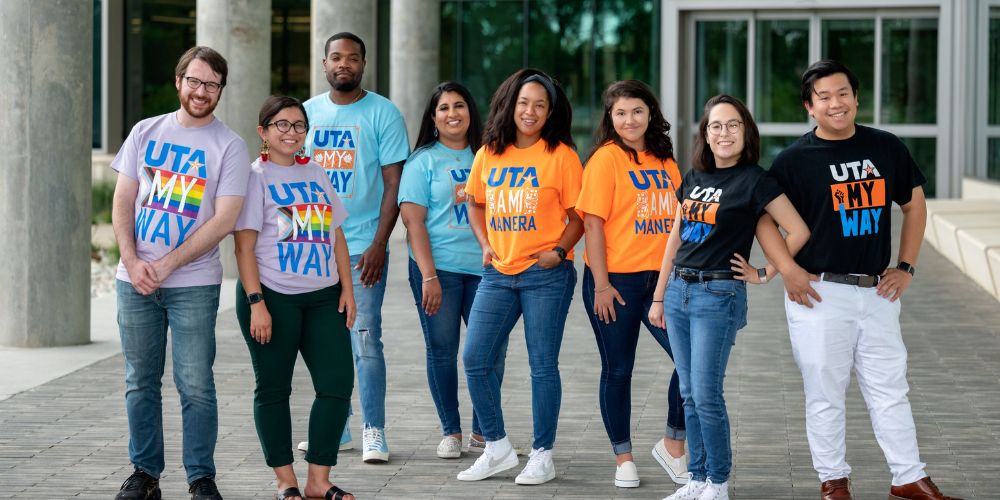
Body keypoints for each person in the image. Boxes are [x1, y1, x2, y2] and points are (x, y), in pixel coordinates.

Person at [765, 59, 961, 500]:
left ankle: (908, 477)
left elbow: (914, 206)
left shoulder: (886, 147)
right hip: (818, 292)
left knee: (891, 388)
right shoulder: (793, 161)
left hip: (876, 291)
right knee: (825, 392)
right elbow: (764, 221)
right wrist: (788, 270)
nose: (836, 103)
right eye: (824, 97)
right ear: (809, 108)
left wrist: (906, 266)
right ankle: (833, 481)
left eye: (843, 94)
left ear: (856, 98)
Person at [649, 95, 812, 500]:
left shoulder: (756, 181)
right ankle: (697, 478)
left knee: (706, 393)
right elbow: (676, 236)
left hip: (717, 295)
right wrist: (658, 294)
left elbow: (798, 230)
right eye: (716, 126)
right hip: (678, 291)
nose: (724, 133)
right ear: (706, 134)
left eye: (733, 125)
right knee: (688, 393)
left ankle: (718, 482)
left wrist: (765, 273)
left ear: (746, 132)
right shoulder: (694, 177)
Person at [110, 46, 249, 500]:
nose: (201, 90)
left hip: (194, 284)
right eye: (194, 80)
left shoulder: (229, 144)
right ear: (178, 81)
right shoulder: (145, 131)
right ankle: (145, 474)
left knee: (196, 384)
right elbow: (123, 201)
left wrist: (166, 264)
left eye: (211, 84)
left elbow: (224, 220)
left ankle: (200, 477)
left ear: (220, 90)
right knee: (140, 381)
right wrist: (132, 262)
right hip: (135, 283)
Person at [457, 68, 583, 486]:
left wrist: (560, 251)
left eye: (540, 105)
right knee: (475, 358)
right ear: (510, 105)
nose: (530, 111)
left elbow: (579, 216)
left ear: (550, 113)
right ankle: (497, 447)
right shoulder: (488, 154)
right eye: (524, 103)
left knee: (542, 366)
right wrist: (485, 244)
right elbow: (475, 204)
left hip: (545, 275)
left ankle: (542, 454)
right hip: (498, 273)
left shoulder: (561, 155)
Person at [234, 96, 356, 500]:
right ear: (264, 132)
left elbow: (336, 234)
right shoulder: (255, 177)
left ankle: (318, 481)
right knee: (273, 389)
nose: (291, 132)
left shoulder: (317, 171)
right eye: (281, 124)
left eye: (299, 125)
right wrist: (257, 303)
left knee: (337, 384)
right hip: (272, 296)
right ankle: (285, 481)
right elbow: (244, 248)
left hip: (324, 297)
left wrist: (347, 289)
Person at [301, 31, 410, 463]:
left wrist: (381, 244)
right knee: (325, 342)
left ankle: (373, 430)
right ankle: (337, 427)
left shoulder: (383, 113)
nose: (343, 64)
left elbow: (393, 184)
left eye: (351, 58)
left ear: (364, 63)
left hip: (364, 247)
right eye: (335, 57)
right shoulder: (307, 113)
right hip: (314, 250)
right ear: (324, 63)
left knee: (365, 339)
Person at [576, 80, 688, 488]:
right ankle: (623, 458)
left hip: (660, 281)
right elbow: (592, 223)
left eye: (637, 111)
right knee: (618, 368)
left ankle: (673, 443)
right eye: (620, 113)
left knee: (689, 361)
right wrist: (602, 285)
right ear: (610, 117)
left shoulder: (664, 159)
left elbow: (679, 221)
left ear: (650, 114)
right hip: (616, 282)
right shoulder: (605, 160)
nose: (629, 120)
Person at [398, 82, 509, 458]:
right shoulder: (423, 161)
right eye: (443, 108)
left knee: (490, 352)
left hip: (487, 270)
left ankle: (485, 432)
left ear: (470, 112)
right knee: (443, 351)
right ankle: (451, 431)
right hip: (438, 270)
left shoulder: (490, 156)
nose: (452, 114)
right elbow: (414, 223)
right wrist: (428, 276)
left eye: (459, 106)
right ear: (433, 118)